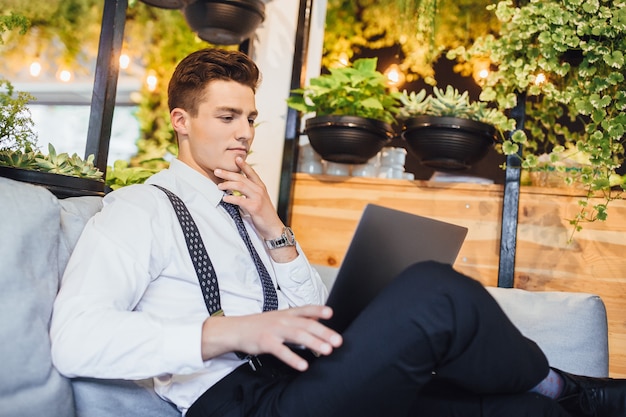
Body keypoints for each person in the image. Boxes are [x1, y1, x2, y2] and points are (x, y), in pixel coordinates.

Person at [50, 48, 626, 417]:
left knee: (523, 413)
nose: (244, 134)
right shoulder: (141, 209)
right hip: (236, 403)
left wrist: (273, 228)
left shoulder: (248, 207)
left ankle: (557, 396)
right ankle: (569, 386)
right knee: (433, 291)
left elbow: (307, 311)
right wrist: (231, 333)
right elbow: (74, 338)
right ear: (181, 121)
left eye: (250, 118)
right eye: (226, 118)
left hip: (304, 379)